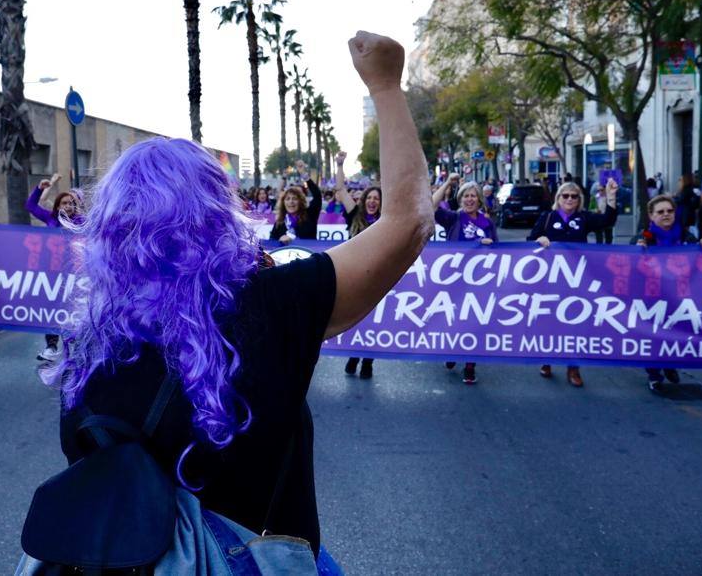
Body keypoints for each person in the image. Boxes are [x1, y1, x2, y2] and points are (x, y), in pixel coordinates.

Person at [46, 31, 432, 570]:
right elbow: (407, 224)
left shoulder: (87, 349)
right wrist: (386, 86)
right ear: (216, 211)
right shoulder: (268, 305)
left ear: (110, 227)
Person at [528, 179, 618, 387]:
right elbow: (530, 240)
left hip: (577, 280)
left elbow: (607, 221)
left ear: (579, 200)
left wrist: (611, 197)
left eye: (574, 196)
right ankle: (547, 359)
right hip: (551, 279)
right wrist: (539, 240)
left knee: (575, 323)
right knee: (550, 321)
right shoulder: (548, 217)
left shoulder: (583, 218)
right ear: (558, 198)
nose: (569, 199)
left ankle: (573, 367)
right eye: (565, 195)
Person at [634, 195, 702, 391]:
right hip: (652, 295)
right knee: (653, 334)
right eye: (660, 212)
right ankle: (654, 374)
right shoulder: (643, 238)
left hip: (679, 294)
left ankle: (669, 364)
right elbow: (630, 266)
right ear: (651, 216)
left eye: (669, 211)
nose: (666, 214)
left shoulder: (686, 236)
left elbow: (701, 258)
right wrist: (636, 252)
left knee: (674, 331)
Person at [433, 180, 496, 384]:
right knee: (455, 319)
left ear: (479, 199)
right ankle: (453, 350)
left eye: (473, 196)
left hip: (480, 281)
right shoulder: (454, 218)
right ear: (460, 199)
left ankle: (470, 365)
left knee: (474, 322)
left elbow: (500, 251)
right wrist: (446, 184)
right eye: (466, 196)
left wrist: (489, 246)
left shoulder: (488, 223)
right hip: (455, 280)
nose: (469, 199)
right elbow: (431, 205)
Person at [333, 150, 381, 378]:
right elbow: (340, 191)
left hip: (379, 278)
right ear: (364, 201)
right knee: (355, 317)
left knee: (375, 321)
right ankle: (354, 354)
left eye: (376, 199)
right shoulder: (355, 216)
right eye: (369, 198)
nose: (372, 201)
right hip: (354, 277)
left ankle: (368, 361)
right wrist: (340, 165)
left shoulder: (387, 222)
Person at [26, 174, 84, 362]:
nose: (68, 206)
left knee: (73, 308)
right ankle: (51, 346)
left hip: (75, 274)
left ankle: (77, 347)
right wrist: (39, 189)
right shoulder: (51, 218)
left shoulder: (82, 221)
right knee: (52, 308)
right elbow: (30, 206)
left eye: (71, 203)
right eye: (64, 203)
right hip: (52, 273)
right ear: (58, 206)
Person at [269, 161, 322, 244]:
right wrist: (280, 240)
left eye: (294, 198)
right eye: (287, 199)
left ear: (300, 201)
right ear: (283, 203)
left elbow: (317, 195)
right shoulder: (280, 222)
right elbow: (271, 243)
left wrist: (303, 174)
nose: (291, 202)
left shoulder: (310, 215)